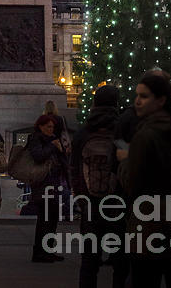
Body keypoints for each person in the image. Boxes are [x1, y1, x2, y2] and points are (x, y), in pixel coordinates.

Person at [120, 71, 171, 288]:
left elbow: (132, 183)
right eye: (137, 95)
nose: (137, 101)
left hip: (150, 224)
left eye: (144, 96)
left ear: (161, 100)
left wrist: (125, 160)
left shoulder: (145, 134)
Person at [70, 84, 121, 287]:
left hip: (90, 201)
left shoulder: (83, 132)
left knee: (89, 261)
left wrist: (80, 197)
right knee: (120, 261)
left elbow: (74, 167)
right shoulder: (121, 129)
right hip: (117, 202)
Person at [28, 113, 69, 263]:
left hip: (55, 183)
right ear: (40, 126)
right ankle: (39, 251)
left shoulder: (54, 139)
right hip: (43, 184)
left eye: (52, 127)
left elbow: (63, 161)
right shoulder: (36, 139)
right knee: (45, 219)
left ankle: (48, 249)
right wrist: (52, 146)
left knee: (52, 219)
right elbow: (38, 156)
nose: (51, 129)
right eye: (48, 126)